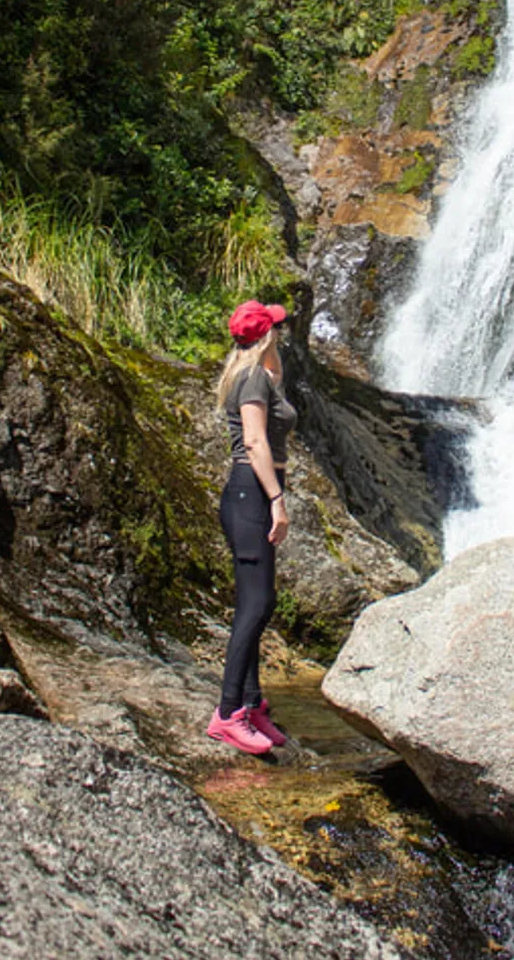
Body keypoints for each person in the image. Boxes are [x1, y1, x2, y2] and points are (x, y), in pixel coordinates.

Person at [206, 299, 296, 755]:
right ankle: (227, 714)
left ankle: (250, 701)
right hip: (252, 493)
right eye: (275, 328)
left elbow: (275, 383)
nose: (282, 332)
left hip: (249, 494)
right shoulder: (253, 378)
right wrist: (277, 500)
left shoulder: (252, 373)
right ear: (266, 336)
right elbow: (256, 440)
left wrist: (268, 353)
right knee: (256, 605)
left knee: (258, 602)